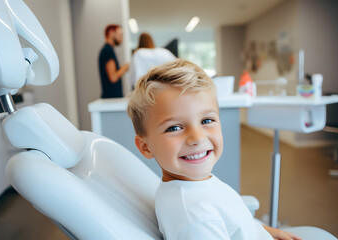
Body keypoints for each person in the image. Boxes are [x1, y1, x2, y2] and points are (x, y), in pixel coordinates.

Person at [127, 59, 301, 240]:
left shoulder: (194, 186)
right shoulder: (195, 220)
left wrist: (265, 231)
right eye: (174, 128)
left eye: (206, 121)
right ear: (146, 147)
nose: (198, 138)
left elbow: (233, 221)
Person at [98, 24, 130, 98]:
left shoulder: (108, 50)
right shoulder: (107, 51)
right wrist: (125, 68)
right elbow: (113, 77)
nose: (121, 38)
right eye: (120, 35)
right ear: (111, 33)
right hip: (111, 98)